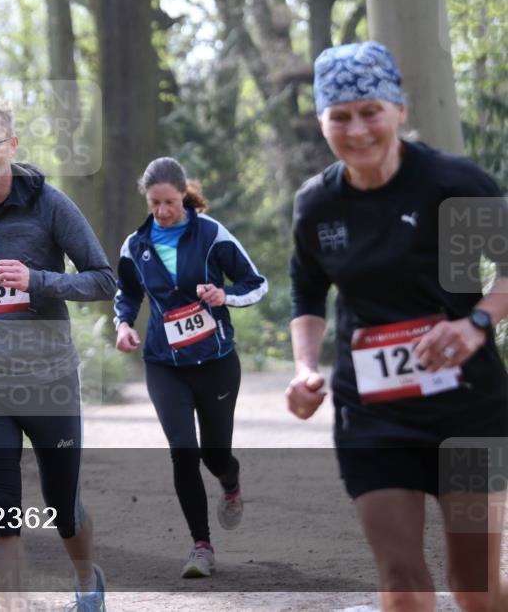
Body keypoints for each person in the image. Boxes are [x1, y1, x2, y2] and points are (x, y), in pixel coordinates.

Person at [287, 41, 508, 611]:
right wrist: (306, 370)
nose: (356, 130)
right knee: (403, 584)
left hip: (468, 409)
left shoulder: (450, 182)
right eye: (340, 116)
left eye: (370, 112)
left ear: (399, 110)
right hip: (373, 411)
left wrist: (477, 323)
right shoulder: (317, 205)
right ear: (322, 121)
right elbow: (308, 293)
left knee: (475, 586)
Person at [0, 96, 116, 611]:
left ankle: (85, 580)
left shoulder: (49, 204)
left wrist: (36, 280)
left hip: (49, 382)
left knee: (62, 508)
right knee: (1, 509)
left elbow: (103, 280)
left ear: (11, 146)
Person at [113, 157, 267, 578]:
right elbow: (126, 293)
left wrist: (224, 296)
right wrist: (124, 323)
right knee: (183, 451)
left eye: (169, 202)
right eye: (154, 203)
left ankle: (230, 481)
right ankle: (201, 546)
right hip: (165, 364)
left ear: (184, 195)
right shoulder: (135, 244)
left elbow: (256, 284)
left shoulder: (212, 234)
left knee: (214, 455)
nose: (162, 211)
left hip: (215, 362)